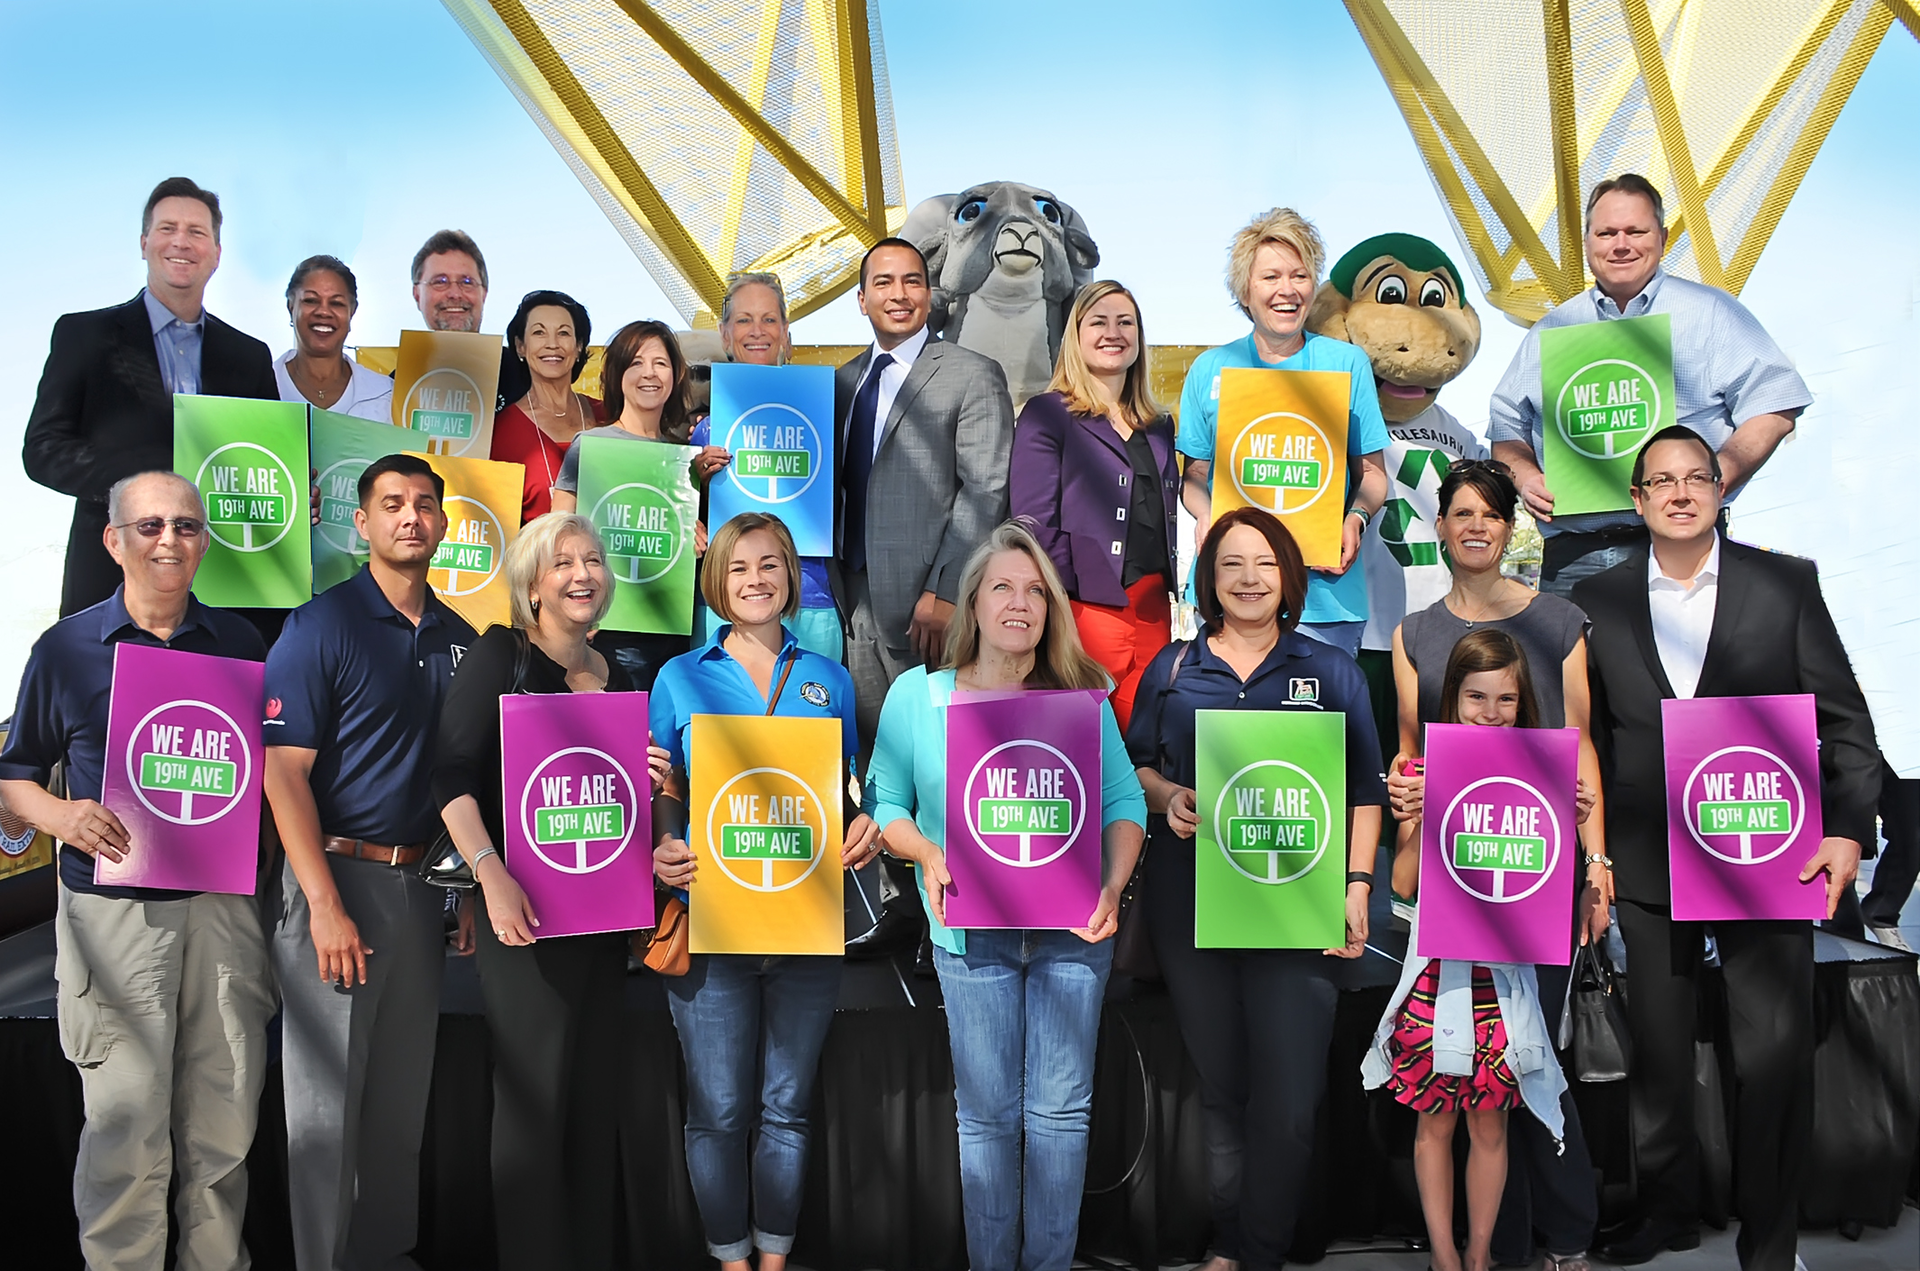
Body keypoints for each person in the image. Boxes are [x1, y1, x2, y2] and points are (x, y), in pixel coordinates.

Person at [1575, 425, 1880, 1269]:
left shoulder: (1784, 585)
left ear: (1720, 489)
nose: (1679, 492)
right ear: (1636, 500)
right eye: (1661, 481)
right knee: (1661, 1056)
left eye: (1696, 478)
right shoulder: (1595, 603)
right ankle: (1667, 1211)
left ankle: (1770, 1237)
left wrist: (1850, 828)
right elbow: (1588, 738)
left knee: (1773, 1054)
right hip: (1644, 858)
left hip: (1767, 852)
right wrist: (1592, 860)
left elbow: (1846, 724)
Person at [0, 471, 274, 1271]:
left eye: (186, 526)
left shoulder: (240, 647)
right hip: (114, 917)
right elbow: (13, 774)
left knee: (223, 1130)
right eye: (150, 525)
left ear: (206, 541)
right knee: (125, 1132)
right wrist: (59, 815)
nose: (169, 540)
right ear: (113, 540)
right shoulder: (67, 646)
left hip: (224, 911)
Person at [865, 520, 1146, 1271]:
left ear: (1049, 609)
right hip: (969, 934)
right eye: (1002, 587)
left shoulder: (1080, 698)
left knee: (1059, 1118)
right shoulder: (916, 697)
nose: (1019, 603)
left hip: (1072, 930)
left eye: (1034, 591)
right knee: (987, 1122)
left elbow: (1125, 805)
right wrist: (923, 848)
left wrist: (1114, 885)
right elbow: (885, 803)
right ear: (974, 603)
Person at [1125, 506, 1386, 1271]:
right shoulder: (1172, 669)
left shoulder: (1331, 670)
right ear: (1209, 577)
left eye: (1265, 563)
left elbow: (1363, 788)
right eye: (1232, 562)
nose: (1248, 578)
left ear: (1288, 578)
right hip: (1192, 904)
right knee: (1223, 1089)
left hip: (1298, 906)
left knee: (1291, 1099)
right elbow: (1135, 769)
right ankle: (1229, 1245)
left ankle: (1258, 1251)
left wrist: (1359, 881)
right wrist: (1168, 796)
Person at [1386, 459, 1606, 1270]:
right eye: (1461, 512)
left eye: (1491, 512)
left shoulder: (1558, 620)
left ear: (1511, 526)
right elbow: (1415, 756)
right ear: (1440, 525)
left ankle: (1571, 1231)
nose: (1475, 525)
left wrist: (1595, 863)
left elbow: (1577, 748)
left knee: (1533, 1058)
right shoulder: (1415, 635)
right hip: (1451, 885)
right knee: (1476, 1080)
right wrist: (1406, 797)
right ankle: (1499, 1248)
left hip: (1539, 879)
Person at [262, 453, 478, 1271]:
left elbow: (456, 780)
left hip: (422, 890)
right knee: (325, 1116)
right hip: (337, 882)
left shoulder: (460, 639)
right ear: (361, 522)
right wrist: (321, 902)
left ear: (444, 523)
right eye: (392, 504)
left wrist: (457, 894)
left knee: (397, 1106)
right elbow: (283, 772)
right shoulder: (320, 624)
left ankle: (385, 1256)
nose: (410, 517)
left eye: (425, 504)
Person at [648, 512, 880, 1271]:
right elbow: (665, 791)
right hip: (712, 925)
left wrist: (862, 827)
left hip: (806, 929)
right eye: (740, 566)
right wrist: (664, 843)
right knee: (718, 1112)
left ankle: (773, 1261)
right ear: (717, 580)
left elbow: (842, 792)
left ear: (791, 577)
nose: (755, 579)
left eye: (771, 565)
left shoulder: (831, 679)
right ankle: (730, 1259)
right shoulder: (679, 677)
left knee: (786, 1107)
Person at [432, 513, 655, 1270]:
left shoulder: (617, 672)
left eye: (593, 559)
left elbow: (619, 803)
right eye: (563, 562)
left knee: (592, 1111)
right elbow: (450, 776)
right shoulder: (503, 654)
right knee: (534, 1113)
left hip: (600, 923)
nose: (582, 573)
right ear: (534, 582)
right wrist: (489, 875)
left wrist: (653, 784)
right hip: (524, 921)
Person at [1488, 175, 1811, 597]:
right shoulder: (1553, 329)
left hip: (1683, 552)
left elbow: (1775, 404)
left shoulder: (1710, 312)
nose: (1621, 244)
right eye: (1606, 233)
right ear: (1588, 242)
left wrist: (1718, 473)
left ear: (1661, 237)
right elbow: (1505, 424)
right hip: (1572, 561)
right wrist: (1526, 475)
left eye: (1635, 231)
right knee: (1573, 667)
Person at [1365, 630, 1574, 1271]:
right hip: (1439, 976)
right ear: (1450, 698)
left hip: (1506, 980)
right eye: (1475, 696)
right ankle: (1443, 1257)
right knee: (1436, 1122)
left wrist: (1568, 821)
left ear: (1523, 702)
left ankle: (1480, 1256)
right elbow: (1400, 885)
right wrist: (1421, 817)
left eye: (1505, 699)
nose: (1489, 711)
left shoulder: (1544, 774)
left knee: (1490, 1125)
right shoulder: (1424, 772)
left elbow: (1550, 892)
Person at [835, 236, 1015, 962]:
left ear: (930, 294)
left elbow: (986, 490)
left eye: (913, 281)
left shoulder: (971, 373)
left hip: (928, 608)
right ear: (862, 298)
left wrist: (945, 590)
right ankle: (900, 910)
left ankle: (950, 912)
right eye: (884, 282)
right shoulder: (842, 382)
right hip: (852, 608)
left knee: (936, 762)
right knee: (880, 763)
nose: (900, 293)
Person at [25, 176, 278, 617]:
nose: (181, 241)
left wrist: (296, 489)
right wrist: (144, 487)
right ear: (144, 242)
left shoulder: (250, 356)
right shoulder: (84, 335)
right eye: (167, 228)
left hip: (225, 592)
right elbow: (43, 451)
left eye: (197, 232)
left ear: (216, 255)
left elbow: (266, 462)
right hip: (110, 588)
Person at [1175, 208, 1390, 656]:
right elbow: (1194, 475)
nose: (1287, 290)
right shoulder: (1210, 369)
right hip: (1229, 594)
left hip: (1324, 601)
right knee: (1227, 725)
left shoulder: (1347, 364)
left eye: (1300, 275)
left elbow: (1371, 474)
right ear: (1246, 289)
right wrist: (1206, 514)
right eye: (1271, 277)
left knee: (1319, 726)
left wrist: (1356, 519)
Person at [1008, 279, 1178, 730]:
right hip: (1085, 609)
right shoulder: (1047, 413)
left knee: (1146, 740)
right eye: (1098, 321)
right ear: (1076, 335)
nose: (1113, 332)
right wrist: (1081, 588)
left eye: (1126, 322)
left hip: (1154, 612)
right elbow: (1031, 522)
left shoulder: (1159, 424)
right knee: (1085, 740)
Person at [551, 319, 725, 689]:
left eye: (660, 363)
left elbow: (692, 548)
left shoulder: (684, 459)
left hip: (676, 631)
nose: (650, 373)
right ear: (617, 375)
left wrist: (693, 537)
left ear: (676, 376)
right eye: (636, 362)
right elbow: (555, 536)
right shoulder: (590, 446)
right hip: (608, 630)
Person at [692, 272, 843, 660]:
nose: (756, 331)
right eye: (743, 320)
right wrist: (697, 496)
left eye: (769, 319)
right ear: (725, 335)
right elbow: (688, 529)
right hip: (730, 604)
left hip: (811, 601)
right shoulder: (706, 435)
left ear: (786, 331)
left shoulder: (827, 411)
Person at [489, 289, 601, 524]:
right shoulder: (498, 434)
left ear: (579, 345)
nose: (552, 344)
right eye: (539, 332)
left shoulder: (610, 416)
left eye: (563, 333)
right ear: (520, 346)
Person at [408, 228, 525, 411]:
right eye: (440, 281)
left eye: (467, 282)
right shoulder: (394, 390)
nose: (454, 293)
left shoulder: (527, 377)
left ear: (484, 294)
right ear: (417, 295)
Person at [274, 254, 395, 421]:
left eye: (336, 303)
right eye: (311, 300)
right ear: (291, 307)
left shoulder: (386, 396)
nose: (323, 312)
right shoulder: (261, 387)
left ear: (351, 312)